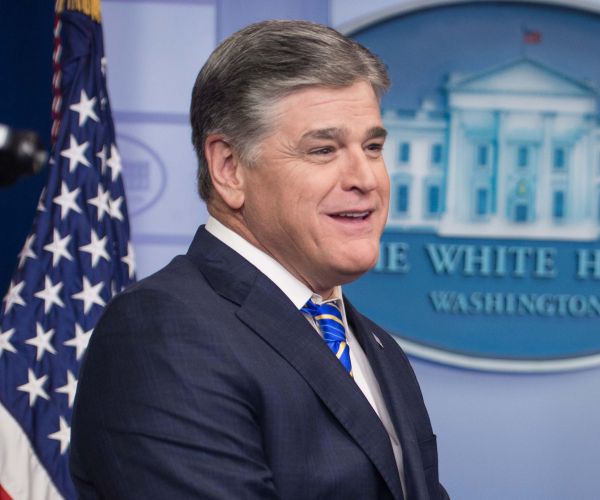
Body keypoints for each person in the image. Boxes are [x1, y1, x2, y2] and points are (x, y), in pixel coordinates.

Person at [70, 19, 449, 500]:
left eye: (372, 147)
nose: (366, 178)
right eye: (323, 149)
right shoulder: (161, 331)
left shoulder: (375, 345)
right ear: (229, 168)